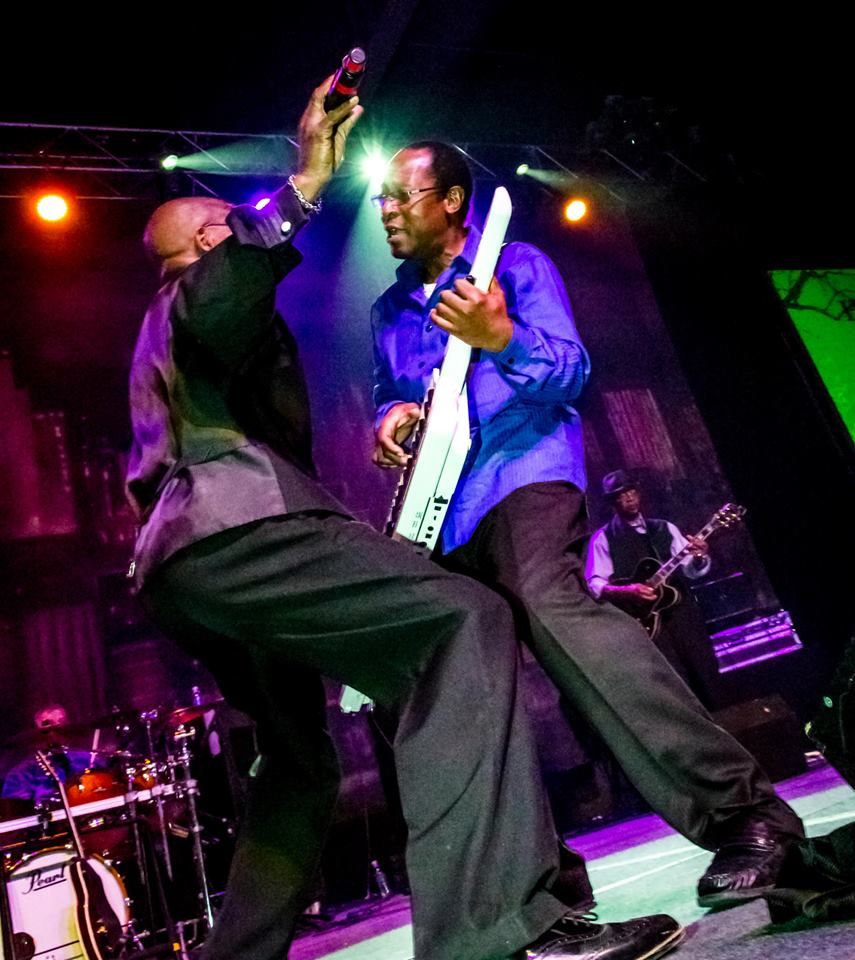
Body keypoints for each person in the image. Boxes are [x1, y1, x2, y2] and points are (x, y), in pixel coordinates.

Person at [124, 79, 680, 960]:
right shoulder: (198, 293)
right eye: (232, 223)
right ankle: (490, 934)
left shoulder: (164, 332)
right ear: (206, 241)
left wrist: (392, 416)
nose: (248, 231)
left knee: (298, 762)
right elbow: (223, 292)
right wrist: (304, 184)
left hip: (180, 569)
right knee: (467, 619)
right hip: (240, 531)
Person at [370, 140, 805, 910]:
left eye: (401, 197)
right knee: (439, 674)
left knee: (549, 604)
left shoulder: (515, 265)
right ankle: (538, 894)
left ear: (451, 201)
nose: (386, 212)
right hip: (442, 509)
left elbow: (569, 372)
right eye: (380, 201)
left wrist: (501, 338)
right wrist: (389, 419)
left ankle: (745, 814)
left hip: (522, 470)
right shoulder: (386, 311)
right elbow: (386, 394)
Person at [585, 470, 721, 707]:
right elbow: (594, 584)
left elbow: (691, 570)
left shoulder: (664, 528)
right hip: (645, 624)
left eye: (632, 491)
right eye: (621, 495)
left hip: (683, 615)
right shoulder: (603, 539)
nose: (629, 498)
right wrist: (627, 591)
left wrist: (700, 556)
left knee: (705, 672)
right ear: (612, 502)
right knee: (671, 685)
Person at [2, 704, 99, 803]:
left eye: (61, 722)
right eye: (49, 725)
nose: (56, 729)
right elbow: (15, 806)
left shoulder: (87, 759)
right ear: (38, 731)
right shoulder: (22, 773)